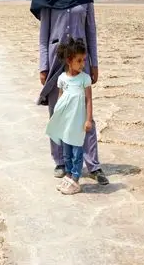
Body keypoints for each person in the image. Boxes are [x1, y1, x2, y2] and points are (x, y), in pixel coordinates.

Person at [30, 0, 109, 185]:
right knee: (58, 112)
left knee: (85, 113)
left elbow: (91, 31)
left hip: (80, 62)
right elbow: (43, 36)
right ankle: (60, 162)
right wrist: (43, 66)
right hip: (56, 63)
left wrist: (93, 63)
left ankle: (93, 165)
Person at [45, 37, 93, 195]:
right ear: (69, 60)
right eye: (79, 61)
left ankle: (76, 180)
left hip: (78, 123)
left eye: (84, 60)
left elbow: (88, 100)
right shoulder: (62, 79)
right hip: (66, 122)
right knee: (66, 152)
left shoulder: (84, 79)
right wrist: (57, 118)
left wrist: (88, 119)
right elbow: (60, 100)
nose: (83, 64)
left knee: (77, 152)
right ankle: (68, 175)